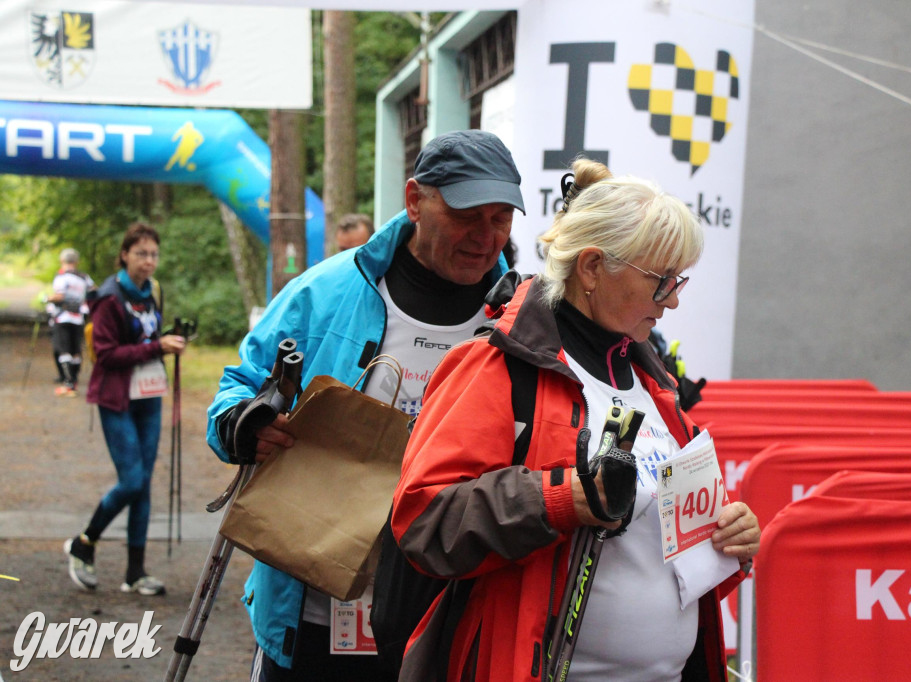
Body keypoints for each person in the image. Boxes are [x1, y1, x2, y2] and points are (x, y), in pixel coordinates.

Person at [391, 158, 761, 682]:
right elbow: (424, 521)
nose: (674, 300)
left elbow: (663, 554)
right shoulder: (499, 367)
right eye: (661, 282)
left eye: (678, 281)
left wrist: (729, 539)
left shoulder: (656, 384)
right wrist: (563, 499)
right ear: (591, 268)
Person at [205, 129, 525, 681]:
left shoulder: (516, 323)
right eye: (468, 213)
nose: (485, 235)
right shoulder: (328, 292)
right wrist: (246, 423)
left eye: (501, 218)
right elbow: (238, 388)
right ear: (415, 200)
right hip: (316, 605)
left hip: (450, 613)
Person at [64, 222, 186, 596]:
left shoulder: (155, 291)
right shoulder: (108, 296)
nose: (148, 261)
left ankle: (135, 572)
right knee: (132, 480)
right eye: (141, 254)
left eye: (153, 254)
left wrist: (172, 342)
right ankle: (84, 542)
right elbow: (106, 353)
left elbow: (151, 337)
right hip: (115, 398)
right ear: (125, 255)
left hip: (148, 397)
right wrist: (157, 348)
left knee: (143, 486)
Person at [46, 247, 95, 396]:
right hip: (79, 317)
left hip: (63, 317)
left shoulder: (62, 277)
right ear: (77, 262)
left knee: (64, 349)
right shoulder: (84, 277)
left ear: (62, 261)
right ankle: (73, 379)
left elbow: (59, 296)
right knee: (76, 350)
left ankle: (68, 383)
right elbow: (94, 292)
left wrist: (47, 299)